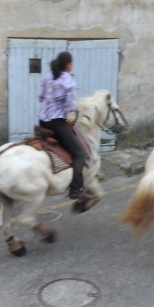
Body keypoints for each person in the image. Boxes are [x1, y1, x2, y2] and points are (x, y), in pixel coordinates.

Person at [38, 52, 97, 208]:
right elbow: (71, 106)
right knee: (80, 153)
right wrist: (76, 109)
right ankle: (76, 189)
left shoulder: (47, 76)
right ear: (68, 64)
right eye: (72, 62)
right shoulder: (68, 81)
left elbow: (41, 97)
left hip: (43, 121)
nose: (73, 65)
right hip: (56, 123)